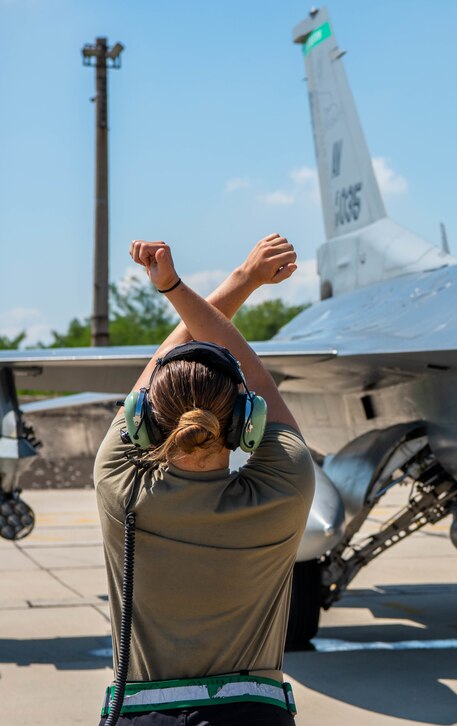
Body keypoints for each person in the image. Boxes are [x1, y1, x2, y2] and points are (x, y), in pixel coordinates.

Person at [94, 234, 316, 725]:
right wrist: (213, 284)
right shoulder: (285, 490)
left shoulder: (118, 484)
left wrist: (220, 283)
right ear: (245, 422)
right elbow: (252, 370)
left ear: (144, 421)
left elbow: (164, 365)